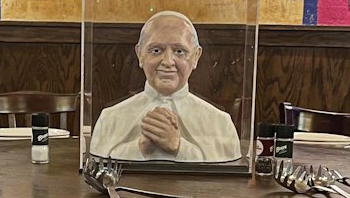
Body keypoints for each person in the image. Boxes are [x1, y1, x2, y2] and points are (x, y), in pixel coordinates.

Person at [89, 11, 241, 163]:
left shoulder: (221, 123)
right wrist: (140, 147)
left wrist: (179, 147)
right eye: (156, 50)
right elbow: (100, 162)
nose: (168, 62)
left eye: (179, 51)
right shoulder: (110, 118)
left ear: (195, 56)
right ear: (140, 54)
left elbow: (224, 168)